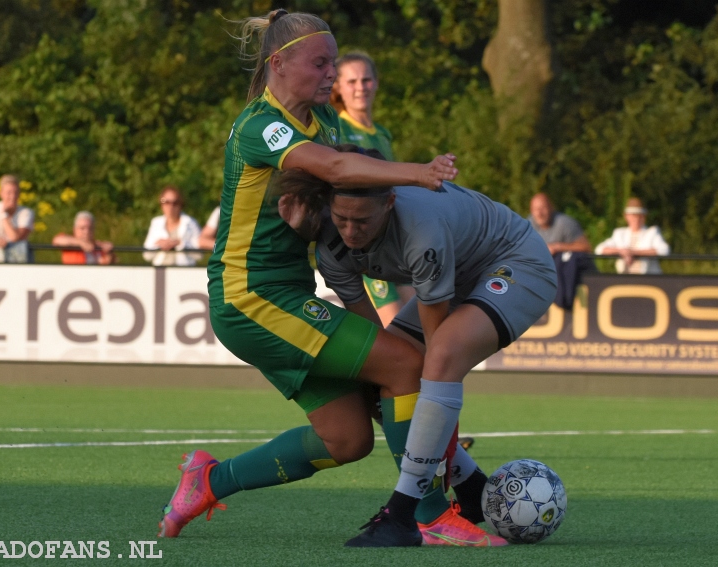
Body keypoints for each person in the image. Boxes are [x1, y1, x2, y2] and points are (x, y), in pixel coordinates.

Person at [157, 10, 491, 548]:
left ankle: (208, 481)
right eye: (321, 62)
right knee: (406, 364)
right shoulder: (259, 124)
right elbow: (337, 173)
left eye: (334, 62)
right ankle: (429, 516)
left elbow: (338, 201)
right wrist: (419, 173)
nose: (331, 73)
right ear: (279, 63)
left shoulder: (328, 125)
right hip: (252, 298)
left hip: (288, 296)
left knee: (347, 438)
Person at [276, 144, 557, 547]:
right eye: (341, 219)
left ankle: (403, 514)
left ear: (389, 203)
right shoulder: (330, 243)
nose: (351, 232)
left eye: (363, 221)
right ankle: (471, 486)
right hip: (458, 275)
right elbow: (373, 340)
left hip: (516, 262)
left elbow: (440, 349)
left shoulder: (421, 228)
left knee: (440, 358)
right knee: (386, 376)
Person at [330, 51, 409, 325]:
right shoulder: (335, 126)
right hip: (363, 248)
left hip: (395, 246)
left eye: (366, 80)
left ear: (376, 83)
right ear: (338, 87)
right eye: (351, 82)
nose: (360, 87)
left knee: (421, 328)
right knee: (395, 333)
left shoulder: (382, 133)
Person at [529, 192, 595, 309]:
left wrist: (558, 247)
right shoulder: (527, 225)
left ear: (551, 208)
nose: (539, 213)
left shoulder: (565, 223)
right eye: (536, 209)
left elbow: (586, 247)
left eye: (543, 208)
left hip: (566, 274)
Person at [595, 197, 670, 274]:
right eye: (633, 215)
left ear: (644, 217)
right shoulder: (620, 233)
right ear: (626, 216)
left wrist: (634, 252)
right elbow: (599, 249)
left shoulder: (652, 232)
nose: (636, 219)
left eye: (640, 215)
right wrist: (621, 251)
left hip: (648, 280)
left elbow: (664, 250)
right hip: (625, 279)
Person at [143, 185, 202, 266]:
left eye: (175, 203)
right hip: (160, 273)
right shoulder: (156, 223)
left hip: (184, 272)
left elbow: (200, 255)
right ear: (161, 204)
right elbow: (146, 255)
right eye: (166, 202)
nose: (170, 207)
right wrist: (159, 245)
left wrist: (181, 244)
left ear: (181, 204)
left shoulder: (191, 223)